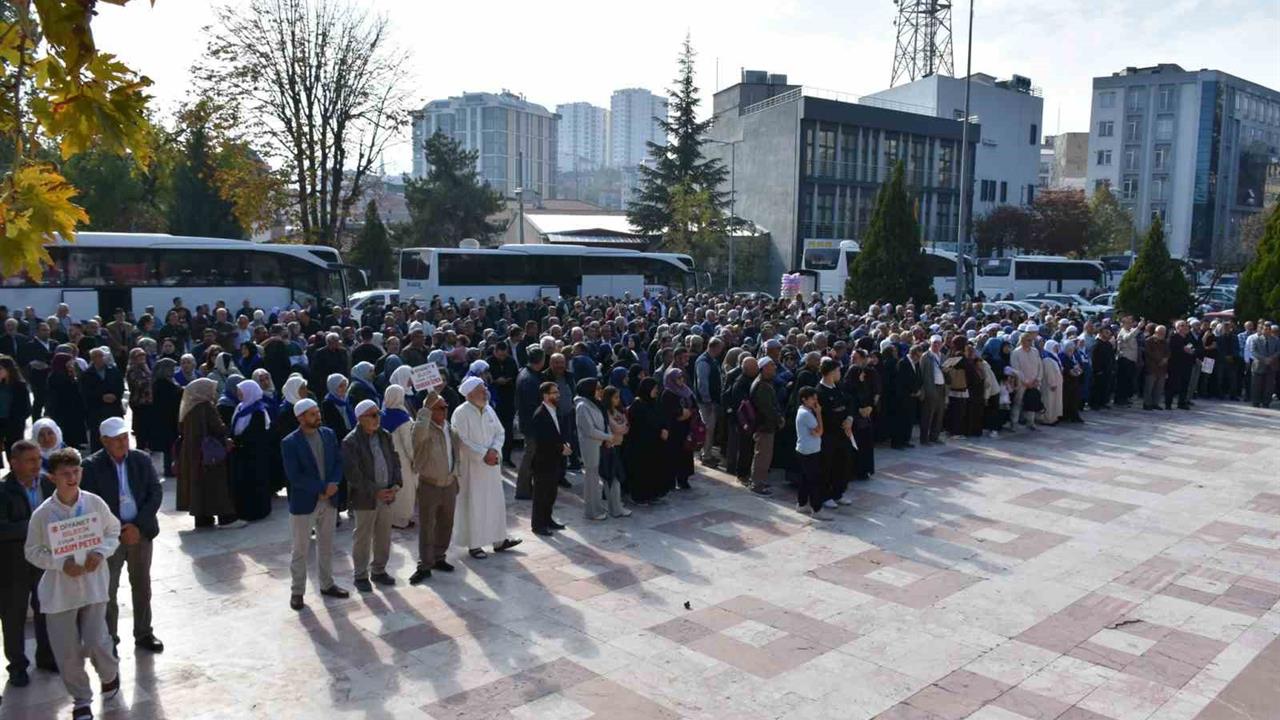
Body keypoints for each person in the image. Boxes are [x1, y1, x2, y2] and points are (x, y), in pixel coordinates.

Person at [24, 447, 121, 720]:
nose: (71, 478)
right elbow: (32, 551)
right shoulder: (43, 514)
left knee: (96, 640)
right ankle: (81, 700)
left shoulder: (94, 503)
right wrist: (60, 563)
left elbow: (113, 531)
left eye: (75, 471)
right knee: (67, 652)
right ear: (52, 477)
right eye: (65, 473)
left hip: (93, 584)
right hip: (59, 592)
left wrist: (100, 552)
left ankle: (110, 674)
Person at [79, 417, 164, 655]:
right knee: (108, 590)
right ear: (104, 441)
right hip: (109, 538)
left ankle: (144, 632)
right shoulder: (91, 467)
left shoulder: (141, 460)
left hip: (140, 533)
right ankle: (110, 639)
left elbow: (155, 492)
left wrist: (138, 526)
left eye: (125, 437)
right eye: (116, 439)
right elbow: (92, 504)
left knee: (142, 584)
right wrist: (118, 530)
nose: (122, 443)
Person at [280, 399, 349, 610]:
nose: (318, 416)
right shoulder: (290, 442)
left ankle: (327, 584)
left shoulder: (328, 434)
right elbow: (294, 476)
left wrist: (333, 483)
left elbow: (338, 462)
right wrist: (320, 488)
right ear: (300, 418)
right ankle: (297, 591)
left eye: (318, 412)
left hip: (329, 500)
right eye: (312, 414)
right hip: (305, 503)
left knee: (326, 545)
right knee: (300, 549)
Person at [1, 440, 56, 688]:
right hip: (14, 564)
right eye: (30, 460)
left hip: (43, 560)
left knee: (45, 610)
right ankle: (17, 666)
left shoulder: (48, 483)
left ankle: (46, 657)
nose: (37, 465)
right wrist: (36, 526)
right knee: (14, 617)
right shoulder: (3, 490)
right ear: (14, 463)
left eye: (38, 459)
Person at [451, 377, 521, 559]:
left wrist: (494, 450)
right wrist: (484, 454)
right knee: (475, 505)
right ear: (470, 394)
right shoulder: (461, 413)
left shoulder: (489, 409)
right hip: (472, 468)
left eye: (485, 389)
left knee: (495, 503)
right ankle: (475, 545)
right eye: (481, 390)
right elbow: (462, 440)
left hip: (492, 465)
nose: (485, 393)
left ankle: (499, 540)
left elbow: (500, 432)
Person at [343, 400, 402, 592]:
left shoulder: (385, 435)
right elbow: (353, 474)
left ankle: (379, 570)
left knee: (384, 535)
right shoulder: (351, 441)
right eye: (373, 415)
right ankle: (360, 575)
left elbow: (394, 460)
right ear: (360, 419)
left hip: (387, 495)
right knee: (363, 537)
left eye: (378, 414)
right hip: (366, 498)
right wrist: (376, 491)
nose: (378, 419)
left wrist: (395, 484)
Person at [408, 392, 459, 584]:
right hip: (429, 484)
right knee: (427, 526)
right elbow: (417, 437)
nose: (444, 411)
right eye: (440, 408)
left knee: (446, 524)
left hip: (449, 483)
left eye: (446, 407)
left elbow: (455, 454)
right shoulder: (423, 427)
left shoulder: (449, 428)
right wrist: (425, 409)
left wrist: (456, 477)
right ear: (430, 410)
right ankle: (425, 564)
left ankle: (439, 557)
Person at [175, 378, 240, 529]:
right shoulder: (206, 407)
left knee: (198, 486)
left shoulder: (188, 408)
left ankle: (203, 519)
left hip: (192, 454)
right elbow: (217, 428)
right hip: (209, 453)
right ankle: (226, 518)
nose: (213, 392)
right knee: (216, 484)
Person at [574, 378, 620, 521]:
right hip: (591, 446)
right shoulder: (582, 406)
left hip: (602, 444)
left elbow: (604, 423)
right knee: (592, 480)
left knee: (602, 477)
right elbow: (589, 430)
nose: (601, 391)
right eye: (598, 388)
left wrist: (607, 437)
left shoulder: (595, 403)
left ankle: (600, 507)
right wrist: (608, 437)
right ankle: (592, 511)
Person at [229, 378, 274, 521]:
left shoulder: (258, 411)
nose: (239, 394)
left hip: (254, 454)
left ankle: (257, 512)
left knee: (255, 483)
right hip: (240, 452)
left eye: (241, 391)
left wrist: (237, 441)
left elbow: (254, 433)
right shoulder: (240, 407)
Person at [529, 381, 570, 535]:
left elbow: (558, 433)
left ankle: (548, 520)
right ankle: (538, 525)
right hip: (543, 461)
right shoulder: (540, 414)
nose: (558, 395)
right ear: (545, 396)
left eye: (557, 392)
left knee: (551, 493)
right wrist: (561, 448)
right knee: (541, 494)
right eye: (554, 393)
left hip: (555, 460)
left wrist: (565, 444)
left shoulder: (554, 410)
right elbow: (543, 440)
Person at [624, 378, 668, 505]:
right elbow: (642, 424)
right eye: (654, 389)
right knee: (642, 471)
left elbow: (662, 417)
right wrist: (658, 430)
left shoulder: (654, 402)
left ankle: (652, 494)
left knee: (653, 470)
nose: (656, 391)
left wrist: (664, 428)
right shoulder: (638, 404)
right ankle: (640, 496)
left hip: (654, 444)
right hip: (641, 445)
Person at [382, 385, 417, 529]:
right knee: (405, 489)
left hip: (386, 458)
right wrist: (415, 459)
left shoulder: (381, 415)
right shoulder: (403, 419)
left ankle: (390, 518)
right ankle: (401, 520)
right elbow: (409, 444)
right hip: (402, 459)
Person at [794, 387, 832, 520]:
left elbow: (816, 432)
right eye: (812, 399)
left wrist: (816, 431)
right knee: (815, 481)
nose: (815, 401)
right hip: (809, 452)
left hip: (806, 450)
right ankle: (817, 509)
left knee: (805, 479)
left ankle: (802, 504)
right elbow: (820, 431)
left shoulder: (805, 411)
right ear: (804, 399)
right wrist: (819, 414)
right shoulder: (806, 414)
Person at [514, 348, 546, 500]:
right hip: (532, 425)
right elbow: (532, 406)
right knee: (530, 456)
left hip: (529, 423)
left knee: (532, 456)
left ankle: (528, 488)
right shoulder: (529, 379)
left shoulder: (527, 374)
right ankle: (523, 490)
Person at [748, 357, 782, 496]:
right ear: (764, 368)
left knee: (764, 455)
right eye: (772, 365)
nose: (775, 367)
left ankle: (759, 480)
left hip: (766, 425)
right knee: (762, 455)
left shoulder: (765, 383)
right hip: (764, 426)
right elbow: (766, 409)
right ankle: (757, 484)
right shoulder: (761, 385)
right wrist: (778, 419)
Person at [79, 349, 124, 453]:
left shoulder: (113, 370)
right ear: (92, 359)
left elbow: (120, 386)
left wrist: (115, 396)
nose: (100, 359)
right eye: (97, 356)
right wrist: (101, 397)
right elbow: (85, 392)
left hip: (113, 408)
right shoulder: (87, 374)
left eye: (101, 356)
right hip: (96, 410)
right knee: (97, 436)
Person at [660, 368, 696, 492]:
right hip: (674, 429)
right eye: (678, 378)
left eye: (682, 377)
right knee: (673, 455)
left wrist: (688, 413)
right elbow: (668, 411)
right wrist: (681, 413)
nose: (681, 380)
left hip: (685, 428)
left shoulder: (686, 390)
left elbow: (693, 405)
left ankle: (683, 479)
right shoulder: (667, 393)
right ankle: (670, 481)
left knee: (685, 453)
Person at [47, 353, 87, 451]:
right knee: (65, 426)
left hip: (72, 405)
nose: (71, 364)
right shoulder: (56, 375)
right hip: (62, 406)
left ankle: (75, 442)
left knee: (73, 424)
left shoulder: (68, 373)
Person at [151, 358, 182, 477]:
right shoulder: (160, 384)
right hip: (165, 418)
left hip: (172, 416)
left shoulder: (170, 380)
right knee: (168, 445)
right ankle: (168, 468)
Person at [0, 356, 32, 469]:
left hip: (14, 424)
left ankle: (15, 472)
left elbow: (27, 408)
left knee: (14, 452)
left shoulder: (19, 386)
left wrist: (18, 419)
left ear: (8, 369)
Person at [918, 336, 946, 444]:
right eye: (934, 343)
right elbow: (921, 373)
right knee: (928, 414)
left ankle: (934, 436)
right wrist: (923, 390)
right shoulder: (925, 356)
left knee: (939, 414)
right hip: (930, 387)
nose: (936, 345)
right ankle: (924, 438)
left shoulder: (943, 356)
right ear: (930, 343)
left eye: (938, 343)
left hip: (941, 387)